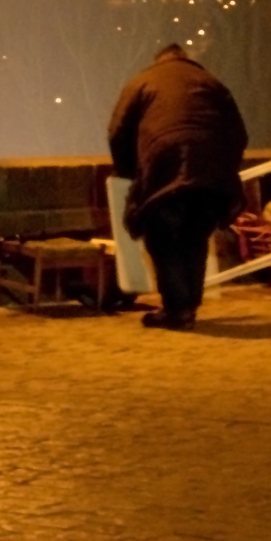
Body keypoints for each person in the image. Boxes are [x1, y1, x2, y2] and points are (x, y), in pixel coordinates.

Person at [107, 44, 249, 330]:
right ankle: (188, 307)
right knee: (195, 238)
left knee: (164, 240)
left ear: (158, 60)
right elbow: (238, 134)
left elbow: (117, 131)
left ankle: (177, 310)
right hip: (209, 171)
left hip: (163, 168)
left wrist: (130, 171)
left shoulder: (141, 82)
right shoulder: (211, 83)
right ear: (186, 59)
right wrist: (224, 168)